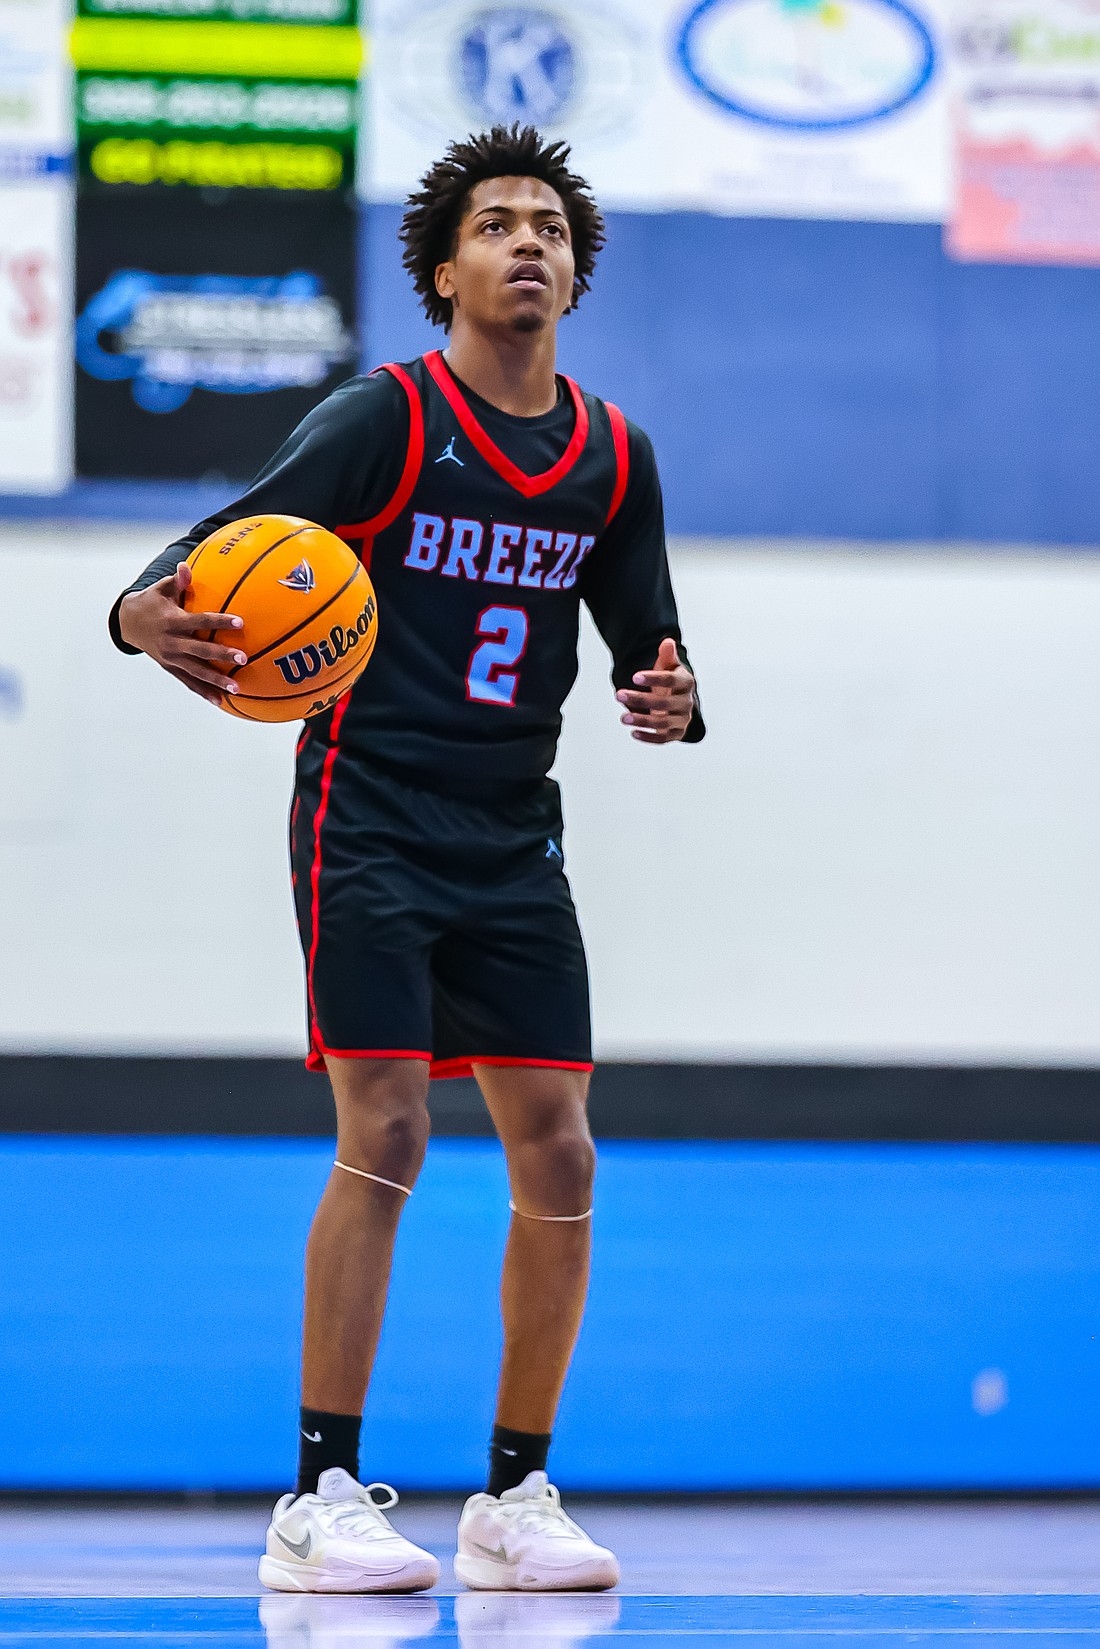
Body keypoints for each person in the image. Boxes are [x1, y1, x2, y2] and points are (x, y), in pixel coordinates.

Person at [109, 123, 704, 1594]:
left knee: (561, 1146)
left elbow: (650, 640)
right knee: (386, 1127)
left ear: (575, 273)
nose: (527, 242)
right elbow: (217, 545)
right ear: (444, 270)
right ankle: (317, 1493)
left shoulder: (613, 456)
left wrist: (673, 697)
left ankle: (513, 1496)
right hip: (368, 813)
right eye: (496, 223)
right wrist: (135, 614)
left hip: (514, 832)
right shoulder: (387, 419)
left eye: (549, 226)